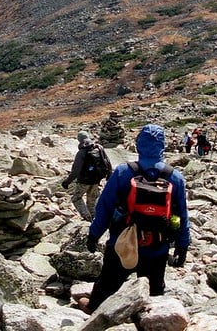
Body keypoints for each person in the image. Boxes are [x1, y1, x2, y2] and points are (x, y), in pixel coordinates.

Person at [79, 124, 190, 314]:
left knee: (107, 284)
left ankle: (94, 308)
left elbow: (104, 207)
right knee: (153, 294)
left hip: (122, 243)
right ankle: (151, 320)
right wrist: (182, 245)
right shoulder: (175, 177)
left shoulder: (123, 172)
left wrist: (94, 234)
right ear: (162, 146)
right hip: (157, 247)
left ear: (139, 145)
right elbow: (181, 215)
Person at [62, 130, 112, 221]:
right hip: (97, 179)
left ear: (79, 140)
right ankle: (94, 218)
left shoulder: (81, 152)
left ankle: (86, 216)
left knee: (76, 198)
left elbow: (75, 171)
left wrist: (67, 182)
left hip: (84, 181)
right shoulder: (99, 147)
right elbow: (107, 162)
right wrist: (109, 174)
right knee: (92, 200)